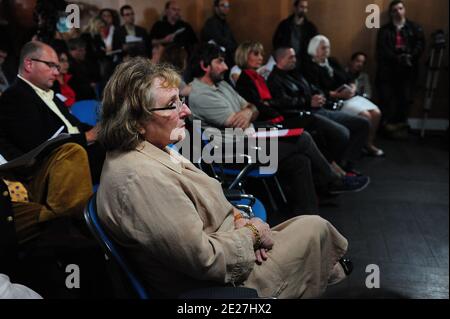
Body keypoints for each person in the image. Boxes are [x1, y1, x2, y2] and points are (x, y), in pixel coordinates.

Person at [97, 57, 351, 298]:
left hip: (235, 248)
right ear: (136, 121)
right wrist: (252, 233)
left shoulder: (155, 148)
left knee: (310, 224)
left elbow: (210, 203)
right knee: (315, 229)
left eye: (180, 101)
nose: (185, 110)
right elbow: (206, 260)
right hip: (226, 285)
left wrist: (241, 219)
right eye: (172, 104)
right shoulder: (141, 179)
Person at [189, 43, 370, 213]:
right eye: (219, 62)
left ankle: (309, 219)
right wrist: (248, 111)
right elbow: (234, 121)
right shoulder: (200, 94)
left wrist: (248, 111)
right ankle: (333, 180)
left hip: (248, 139)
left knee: (300, 160)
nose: (226, 66)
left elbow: (252, 106)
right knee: (302, 138)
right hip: (231, 150)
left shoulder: (221, 84)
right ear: (205, 65)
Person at [0, 41, 104, 183]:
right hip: (56, 167)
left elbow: (75, 125)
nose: (57, 72)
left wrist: (99, 131)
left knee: (120, 144)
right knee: (121, 156)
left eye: (57, 67)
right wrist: (87, 137)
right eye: (50, 65)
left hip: (79, 153)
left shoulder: (49, 92)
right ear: (29, 64)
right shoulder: (14, 96)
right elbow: (36, 148)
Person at [267, 47, 373, 164]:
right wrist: (308, 101)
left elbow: (314, 88)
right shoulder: (274, 79)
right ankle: (338, 168)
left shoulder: (296, 73)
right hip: (305, 115)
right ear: (281, 59)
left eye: (294, 56)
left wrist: (320, 96)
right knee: (343, 133)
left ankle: (345, 164)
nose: (295, 60)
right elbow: (282, 102)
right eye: (291, 57)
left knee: (363, 123)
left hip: (319, 109)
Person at [304, 35, 383, 158]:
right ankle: (360, 145)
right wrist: (336, 94)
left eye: (328, 48)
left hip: (349, 95)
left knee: (376, 112)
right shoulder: (309, 67)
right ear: (314, 48)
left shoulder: (332, 61)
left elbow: (348, 77)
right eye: (323, 48)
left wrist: (352, 87)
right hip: (334, 99)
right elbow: (315, 89)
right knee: (365, 116)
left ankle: (368, 143)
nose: (326, 50)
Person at [376, 0, 425, 139]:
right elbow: (382, 50)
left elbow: (420, 45)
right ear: (391, 13)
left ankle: (399, 128)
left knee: (404, 99)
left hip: (407, 71)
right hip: (388, 71)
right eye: (395, 10)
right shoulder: (385, 30)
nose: (398, 12)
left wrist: (410, 56)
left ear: (404, 9)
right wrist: (396, 57)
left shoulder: (414, 28)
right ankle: (384, 128)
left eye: (401, 8)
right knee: (386, 99)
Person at [272, 0, 318, 71]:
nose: (304, 10)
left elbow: (316, 44)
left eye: (306, 8)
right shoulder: (284, 25)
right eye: (301, 7)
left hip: (304, 64)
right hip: (287, 62)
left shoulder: (310, 27)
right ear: (295, 8)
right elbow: (276, 43)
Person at [201, 0, 237, 68]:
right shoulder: (211, 23)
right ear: (216, 8)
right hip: (215, 59)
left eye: (227, 6)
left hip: (227, 57)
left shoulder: (226, 24)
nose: (226, 8)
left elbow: (232, 41)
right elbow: (220, 40)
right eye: (223, 5)